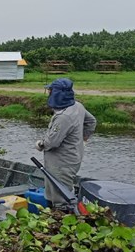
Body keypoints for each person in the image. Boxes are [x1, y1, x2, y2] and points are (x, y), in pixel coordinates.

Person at [35, 78, 97, 209]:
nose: (49, 93)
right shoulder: (78, 106)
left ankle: (61, 221)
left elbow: (52, 142)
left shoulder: (64, 117)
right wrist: (83, 139)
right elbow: (91, 122)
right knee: (56, 190)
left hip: (61, 163)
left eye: (50, 91)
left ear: (56, 94)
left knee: (60, 195)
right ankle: (54, 215)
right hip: (74, 157)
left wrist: (41, 144)